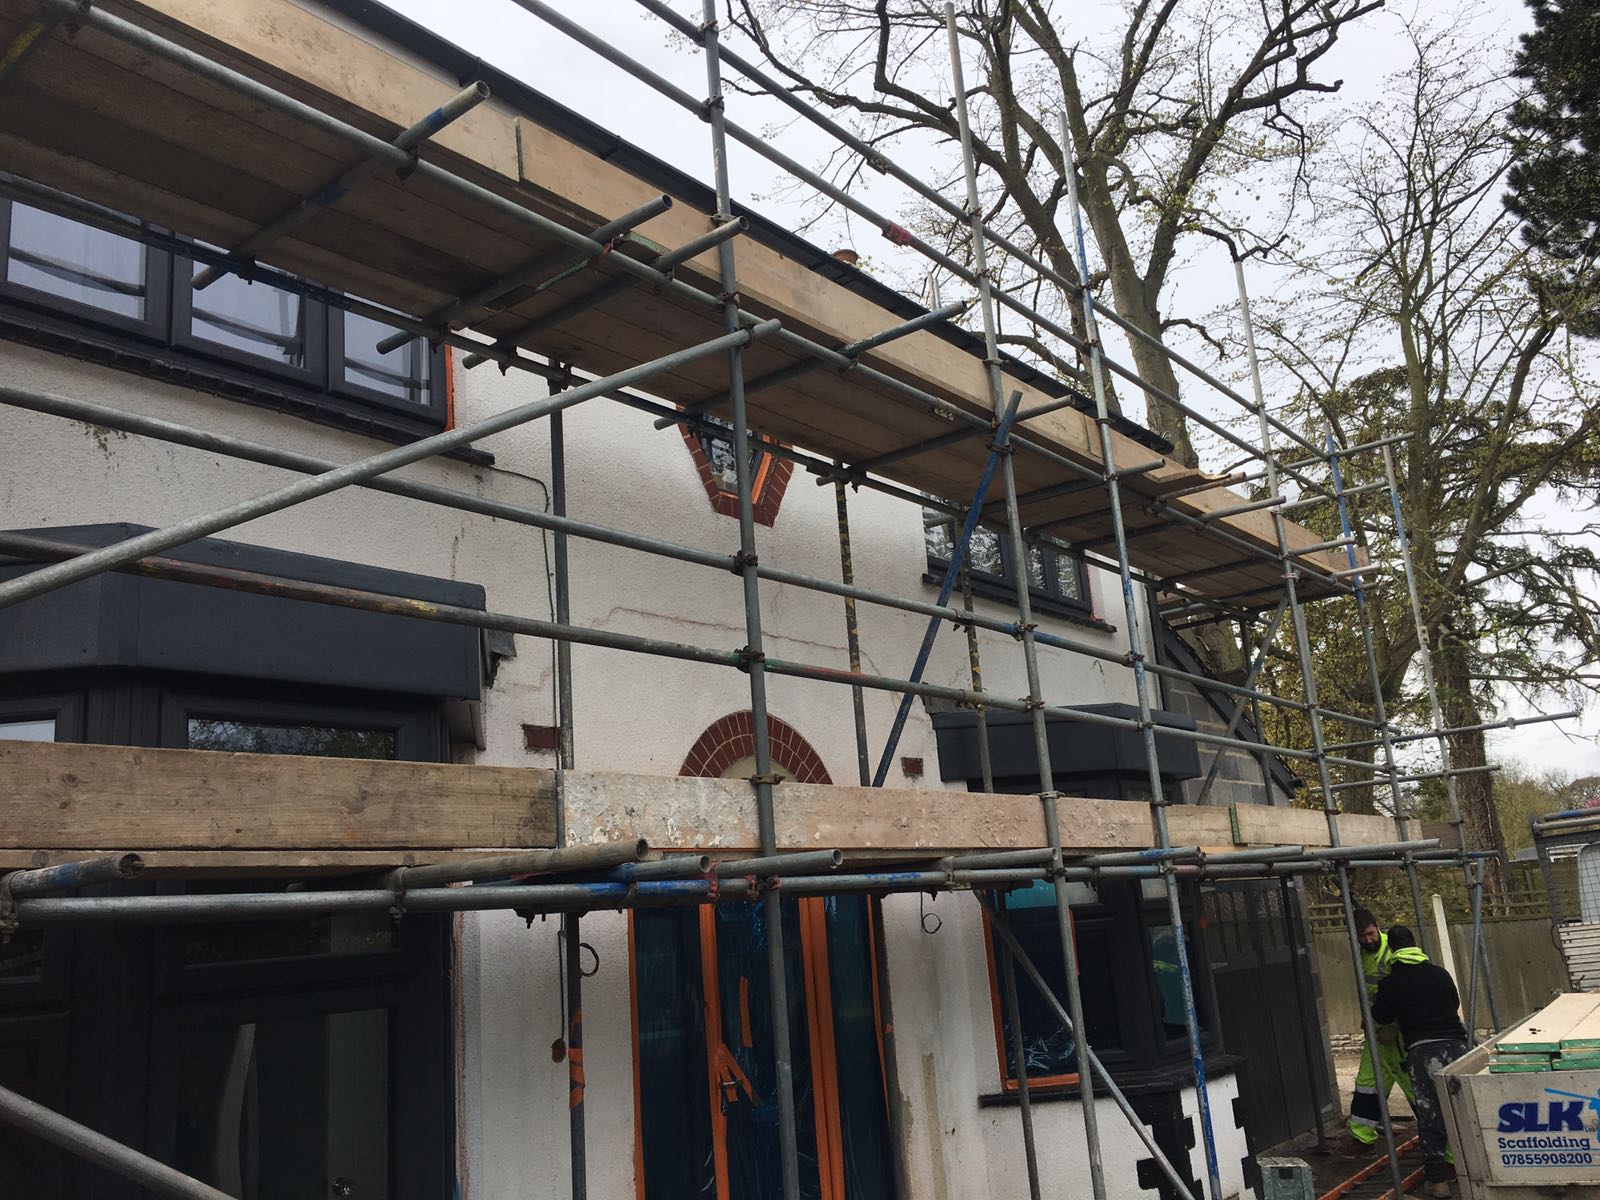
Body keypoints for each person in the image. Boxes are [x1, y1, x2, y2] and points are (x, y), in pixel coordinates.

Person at [1371, 925, 1467, 1199]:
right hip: (1457, 1046)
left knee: (1430, 1115)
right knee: (1463, 1110)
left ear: (1392, 949)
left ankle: (1438, 1182)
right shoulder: (1440, 973)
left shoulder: (1391, 983)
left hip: (1423, 1052)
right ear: (1415, 944)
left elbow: (1381, 1015)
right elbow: (1454, 1002)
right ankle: (1475, 1169)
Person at [1338, 907, 1415, 1157]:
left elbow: (1407, 993)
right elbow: (1369, 991)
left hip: (1398, 1034)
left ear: (1377, 927)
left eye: (1371, 934)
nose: (1368, 940)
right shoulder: (1360, 953)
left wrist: (1394, 1026)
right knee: (1367, 1083)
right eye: (1362, 936)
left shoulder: (1394, 950)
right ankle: (1362, 1137)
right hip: (1377, 1031)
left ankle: (1438, 1136)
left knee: (1414, 1084)